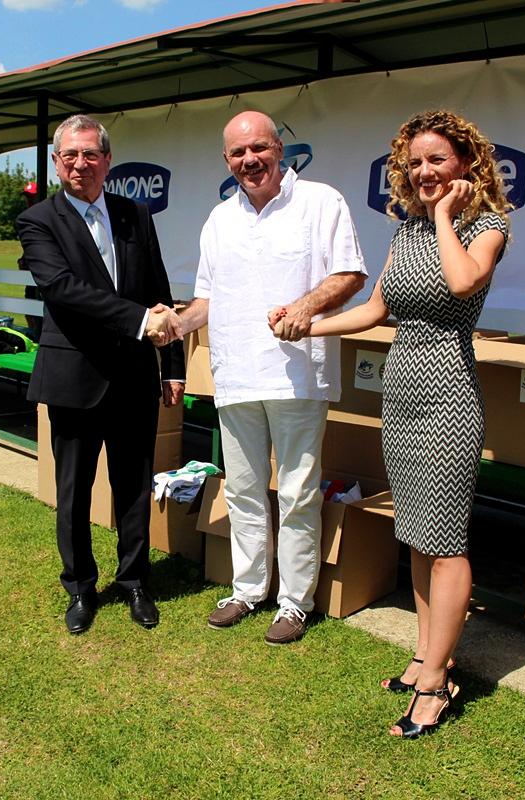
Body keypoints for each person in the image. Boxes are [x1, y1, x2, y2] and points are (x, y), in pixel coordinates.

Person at [306, 110, 510, 738]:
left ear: (467, 163)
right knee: (418, 536)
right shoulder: (405, 233)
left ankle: (437, 681)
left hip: (449, 396)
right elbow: (374, 309)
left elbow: (463, 281)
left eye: (437, 160)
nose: (424, 172)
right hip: (400, 396)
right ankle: (425, 654)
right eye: (414, 162)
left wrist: (445, 215)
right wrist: (308, 324)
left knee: (445, 542)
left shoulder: (488, 227)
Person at [169, 110, 367, 646]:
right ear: (226, 160)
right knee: (243, 490)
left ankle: (295, 602)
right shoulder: (219, 219)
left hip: (298, 374)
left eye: (258, 148)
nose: (249, 159)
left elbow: (351, 273)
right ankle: (248, 589)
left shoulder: (321, 202)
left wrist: (306, 307)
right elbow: (207, 299)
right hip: (235, 372)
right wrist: (178, 324)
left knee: (298, 493)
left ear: (280, 149)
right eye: (238, 152)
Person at [16, 114, 185, 635]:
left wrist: (172, 367)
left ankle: (134, 581)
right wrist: (138, 320)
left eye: (91, 154)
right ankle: (80, 587)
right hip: (75, 376)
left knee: (133, 486)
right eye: (70, 155)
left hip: (134, 377)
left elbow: (157, 290)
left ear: (107, 161)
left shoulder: (135, 214)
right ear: (56, 162)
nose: (81, 164)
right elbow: (62, 288)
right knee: (74, 492)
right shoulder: (38, 221)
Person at [19, 181, 44, 341]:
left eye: (32, 197)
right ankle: (34, 336)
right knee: (29, 306)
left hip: (42, 273)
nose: (28, 200)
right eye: (27, 197)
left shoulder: (45, 216)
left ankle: (39, 336)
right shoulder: (27, 218)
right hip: (30, 274)